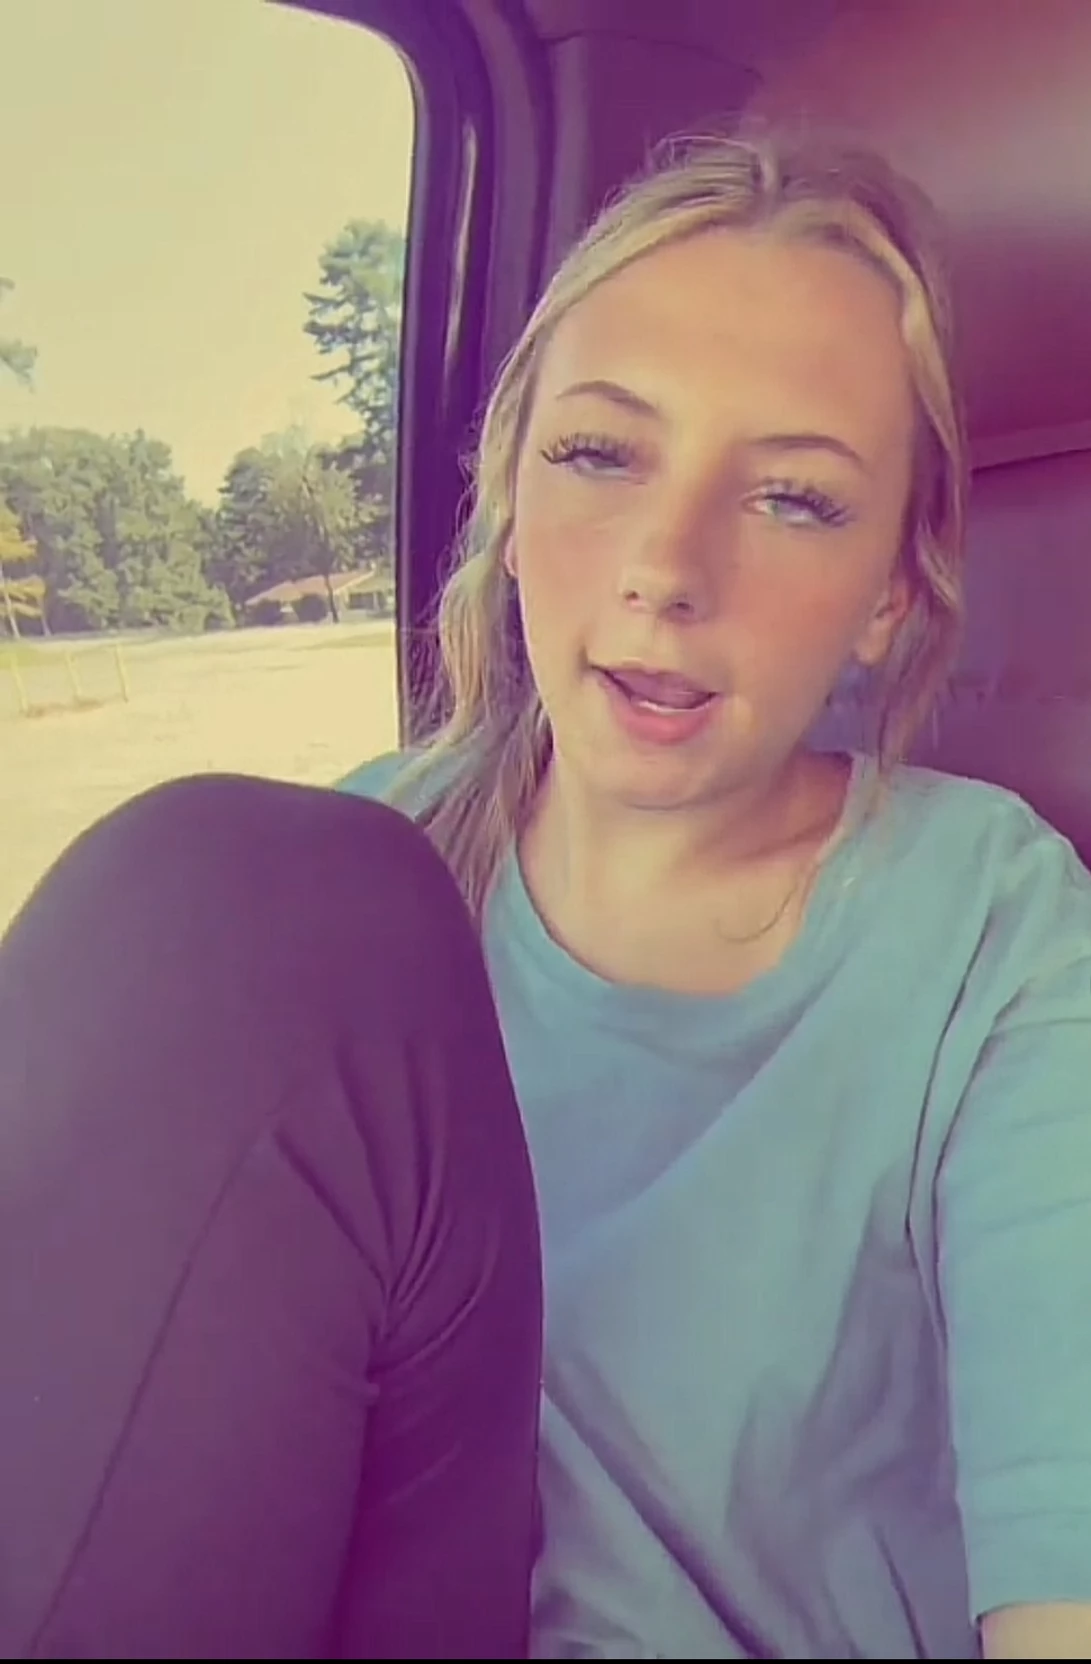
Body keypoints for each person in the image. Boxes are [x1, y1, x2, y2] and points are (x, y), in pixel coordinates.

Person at [2, 128, 1090, 1663]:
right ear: (509, 494)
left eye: (791, 498)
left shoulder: (993, 934)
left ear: (889, 597)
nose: (665, 565)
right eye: (599, 455)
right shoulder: (330, 898)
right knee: (201, 877)